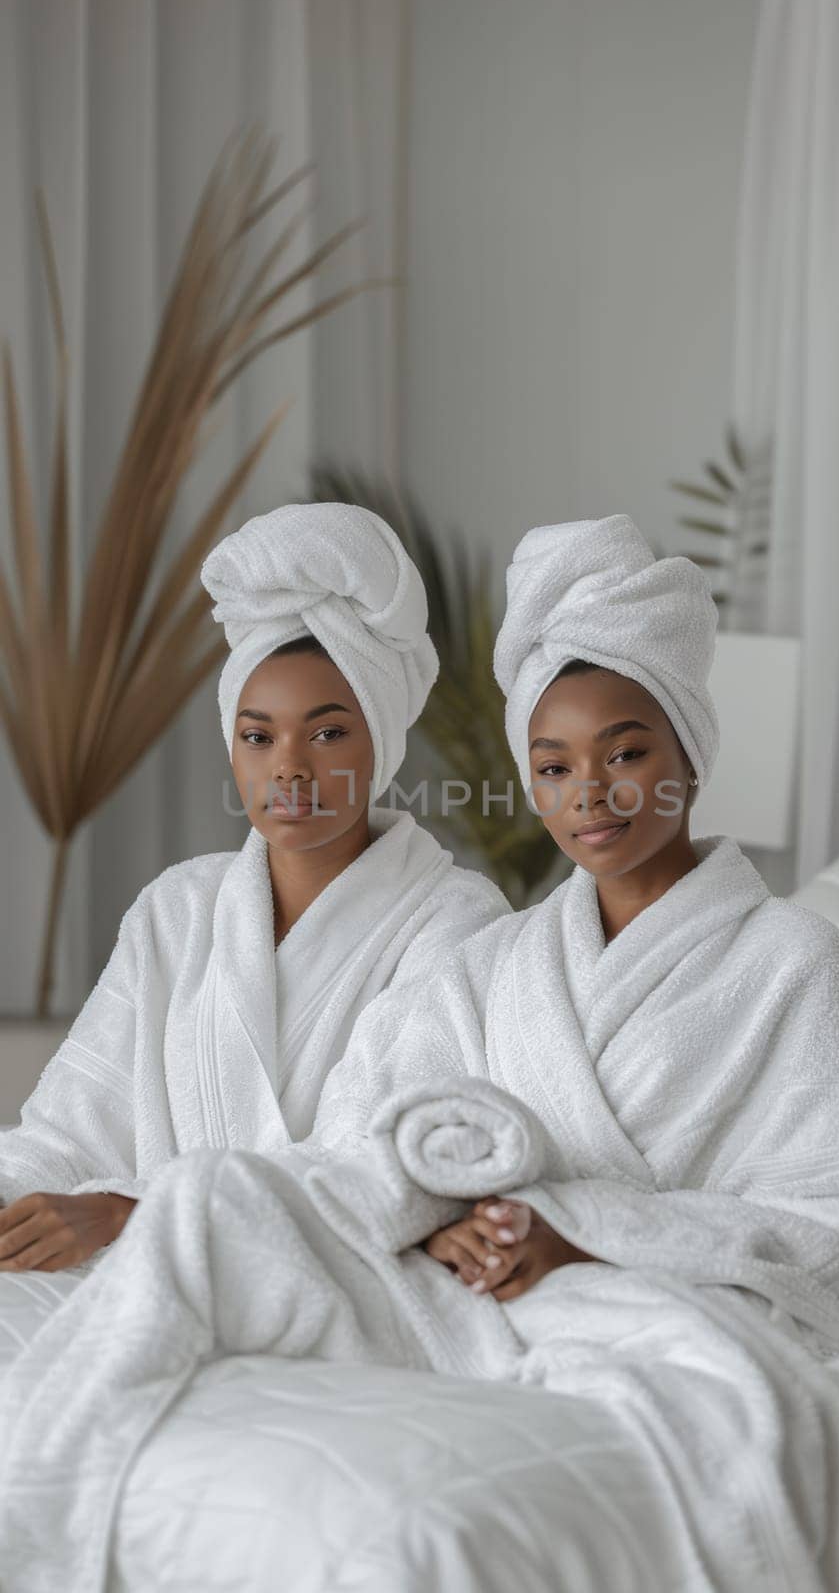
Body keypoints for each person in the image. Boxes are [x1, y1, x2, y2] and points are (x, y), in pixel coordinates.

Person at [3, 516, 839, 1593]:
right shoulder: (505, 962)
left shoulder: (800, 961)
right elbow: (376, 1136)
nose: (593, 794)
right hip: (473, 1281)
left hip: (608, 1289)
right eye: (554, 764)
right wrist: (440, 1217)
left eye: (627, 753)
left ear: (689, 753)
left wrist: (581, 1237)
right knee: (220, 1211)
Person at [0, 502, 509, 1276]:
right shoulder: (177, 911)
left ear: (382, 740)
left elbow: (388, 1175)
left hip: (339, 1282)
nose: (289, 768)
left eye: (329, 732)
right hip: (143, 1269)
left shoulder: (459, 924)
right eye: (258, 735)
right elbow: (68, 1133)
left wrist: (131, 1214)